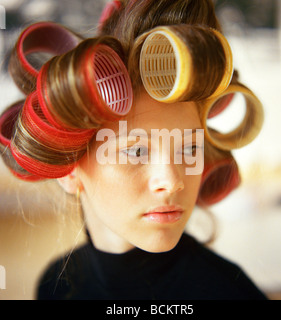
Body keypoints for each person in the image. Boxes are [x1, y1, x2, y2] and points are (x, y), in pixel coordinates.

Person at [0, 0, 266, 300]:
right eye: (136, 152)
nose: (173, 180)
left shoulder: (229, 293)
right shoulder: (54, 286)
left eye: (190, 148)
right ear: (71, 167)